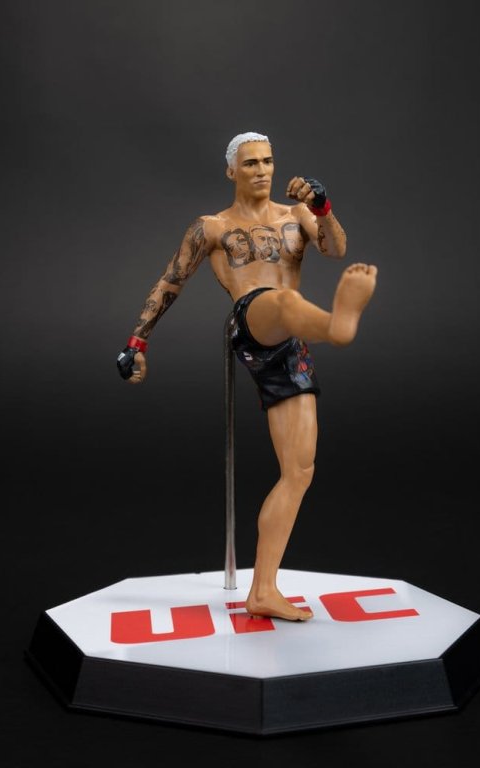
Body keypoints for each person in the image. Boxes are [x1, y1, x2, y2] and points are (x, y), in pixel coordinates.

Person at [116, 132, 378, 621]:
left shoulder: (296, 214)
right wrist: (137, 342)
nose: (262, 170)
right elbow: (171, 280)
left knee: (299, 472)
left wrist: (322, 206)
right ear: (231, 170)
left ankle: (263, 589)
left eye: (268, 161)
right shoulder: (212, 227)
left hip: (292, 344)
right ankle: (337, 327)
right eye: (251, 162)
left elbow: (336, 248)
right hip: (253, 320)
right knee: (283, 300)